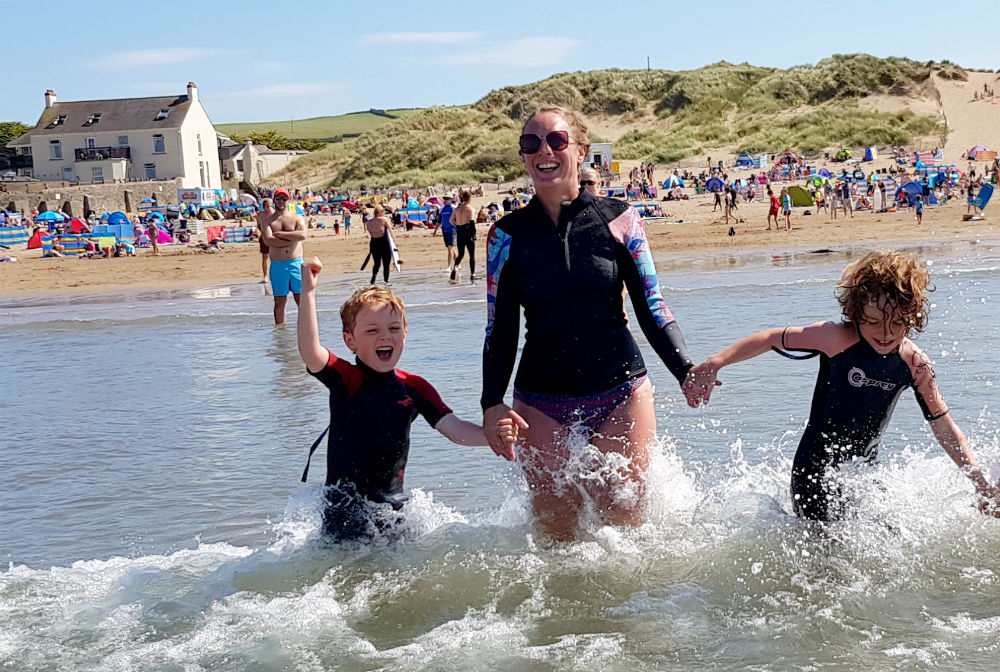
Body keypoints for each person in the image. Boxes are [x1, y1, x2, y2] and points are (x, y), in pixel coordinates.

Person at [481, 106, 696, 539]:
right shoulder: (505, 236)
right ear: (523, 156)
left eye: (557, 141)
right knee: (557, 534)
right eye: (531, 143)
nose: (544, 151)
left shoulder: (620, 221)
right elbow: (498, 329)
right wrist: (491, 404)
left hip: (620, 389)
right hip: (540, 400)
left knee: (625, 530)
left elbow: (652, 306)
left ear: (580, 152)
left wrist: (685, 370)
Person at [683, 250, 1000, 522]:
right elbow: (768, 339)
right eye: (874, 321)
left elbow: (944, 427)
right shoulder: (834, 339)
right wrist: (714, 363)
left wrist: (982, 486)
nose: (886, 333)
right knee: (825, 559)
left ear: (913, 317)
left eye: (898, 323)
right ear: (856, 312)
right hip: (812, 472)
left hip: (862, 476)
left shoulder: (915, 364)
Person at [297, 258, 518, 540]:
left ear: (405, 333)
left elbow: (455, 430)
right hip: (344, 510)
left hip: (393, 509)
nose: (384, 336)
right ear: (350, 341)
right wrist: (308, 292)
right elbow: (310, 351)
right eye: (372, 330)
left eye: (393, 328)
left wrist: (494, 436)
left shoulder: (415, 387)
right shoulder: (346, 378)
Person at [260, 188, 306, 325]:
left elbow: (303, 235)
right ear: (274, 200)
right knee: (280, 301)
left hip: (296, 263)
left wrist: (281, 234)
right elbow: (269, 241)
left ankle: (306, 328)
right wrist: (293, 238)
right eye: (278, 198)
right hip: (278, 265)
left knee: (301, 298)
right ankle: (280, 332)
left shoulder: (297, 217)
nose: (281, 201)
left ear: (289, 200)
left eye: (284, 199)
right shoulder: (267, 221)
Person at [449, 191, 477, 285]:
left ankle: (455, 267)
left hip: (459, 231)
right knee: (471, 254)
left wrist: (457, 225)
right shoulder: (470, 209)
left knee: (461, 254)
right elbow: (472, 222)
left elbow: (451, 220)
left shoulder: (457, 209)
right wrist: (474, 234)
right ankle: (472, 274)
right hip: (468, 231)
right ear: (469, 199)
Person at [366, 205, 393, 285]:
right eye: (383, 211)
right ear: (380, 212)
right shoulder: (383, 219)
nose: (384, 213)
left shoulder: (369, 222)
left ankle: (373, 280)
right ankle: (386, 283)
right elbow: (390, 231)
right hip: (384, 243)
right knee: (386, 264)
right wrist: (394, 244)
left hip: (374, 243)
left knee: (377, 263)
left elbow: (371, 233)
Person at [434, 194, 457, 271]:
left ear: (451, 199)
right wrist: (435, 231)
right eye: (445, 199)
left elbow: (458, 219)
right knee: (451, 248)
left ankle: (449, 267)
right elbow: (439, 221)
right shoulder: (441, 209)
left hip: (453, 230)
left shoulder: (454, 208)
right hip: (445, 230)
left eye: (448, 199)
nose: (446, 200)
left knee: (450, 248)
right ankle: (458, 264)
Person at [256, 198, 274, 283]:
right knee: (265, 257)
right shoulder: (260, 215)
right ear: (264, 207)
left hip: (274, 238)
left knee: (275, 257)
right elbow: (259, 226)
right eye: (267, 206)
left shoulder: (275, 214)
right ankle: (266, 276)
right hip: (264, 238)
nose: (269, 208)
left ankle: (275, 275)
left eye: (270, 206)